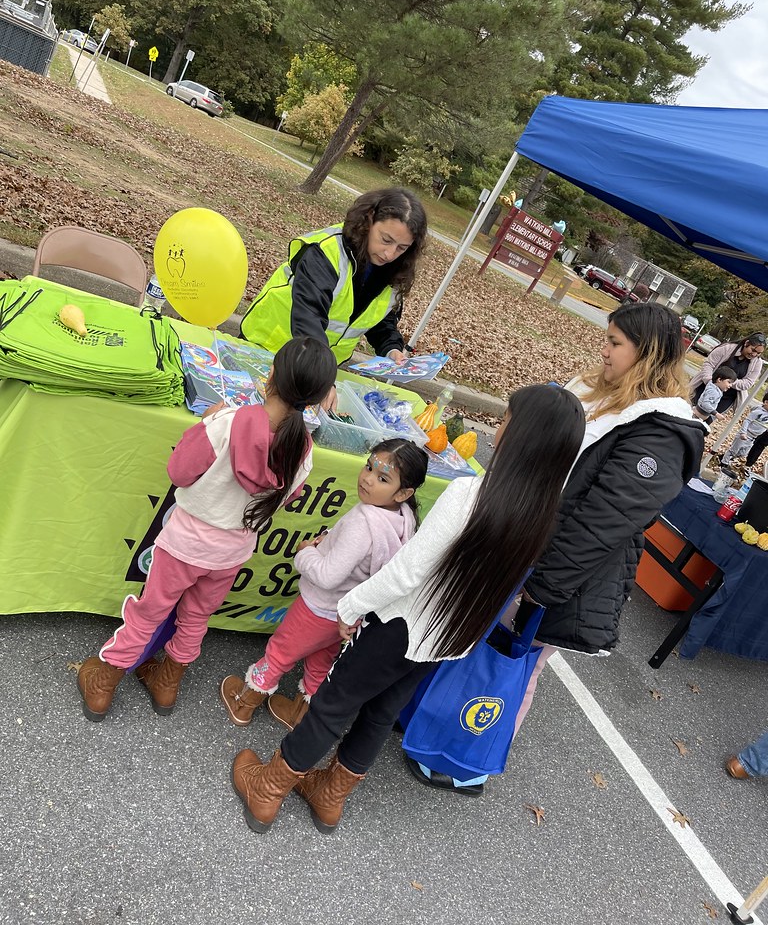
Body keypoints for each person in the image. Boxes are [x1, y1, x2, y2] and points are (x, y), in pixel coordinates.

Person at [228, 383, 586, 834]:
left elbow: (408, 571)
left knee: (333, 704)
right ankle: (329, 796)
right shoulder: (542, 515)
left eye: (508, 419)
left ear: (525, 435)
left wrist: (352, 605)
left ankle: (268, 789)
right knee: (379, 714)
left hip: (400, 624)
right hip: (448, 638)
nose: (500, 428)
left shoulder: (469, 495)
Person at [409, 303, 708, 795]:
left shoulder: (662, 433)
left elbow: (602, 522)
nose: (604, 350)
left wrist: (543, 586)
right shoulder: (602, 391)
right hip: (525, 546)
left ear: (647, 353)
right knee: (479, 643)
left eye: (615, 343)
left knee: (513, 665)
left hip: (560, 573)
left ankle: (467, 761)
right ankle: (434, 723)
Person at [76, 336, 338, 723]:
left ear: (270, 375)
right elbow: (286, 500)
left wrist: (205, 424)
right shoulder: (304, 450)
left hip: (184, 544)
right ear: (317, 399)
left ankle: (105, 682)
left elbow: (179, 473)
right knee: (197, 616)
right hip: (232, 553)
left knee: (149, 612)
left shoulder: (226, 422)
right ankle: (168, 682)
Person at [219, 439, 429, 731]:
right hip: (346, 615)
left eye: (382, 478)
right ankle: (300, 714)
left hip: (318, 608)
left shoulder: (364, 522)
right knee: (321, 663)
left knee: (281, 652)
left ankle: (245, 702)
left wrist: (305, 552)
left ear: (404, 491)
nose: (368, 478)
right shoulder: (403, 519)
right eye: (369, 467)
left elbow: (328, 576)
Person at [239, 188, 428, 365]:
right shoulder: (327, 251)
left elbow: (378, 319)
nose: (390, 254)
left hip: (313, 367)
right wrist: (320, 375)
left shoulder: (395, 269)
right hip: (266, 348)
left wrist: (392, 348)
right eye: (386, 240)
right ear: (369, 219)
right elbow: (310, 316)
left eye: (402, 248)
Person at [689, 332, 766, 417]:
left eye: (758, 353)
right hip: (705, 388)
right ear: (746, 343)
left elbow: (748, 383)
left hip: (726, 398)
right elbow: (709, 364)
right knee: (689, 413)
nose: (754, 354)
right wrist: (709, 381)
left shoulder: (757, 363)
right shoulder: (727, 348)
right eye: (753, 350)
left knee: (705, 422)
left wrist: (728, 383)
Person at [721, 395, 768, 465]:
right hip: (746, 434)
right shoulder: (758, 412)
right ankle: (723, 463)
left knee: (743, 453)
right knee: (734, 450)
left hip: (753, 438)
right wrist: (743, 432)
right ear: (766, 402)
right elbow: (747, 421)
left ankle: (729, 460)